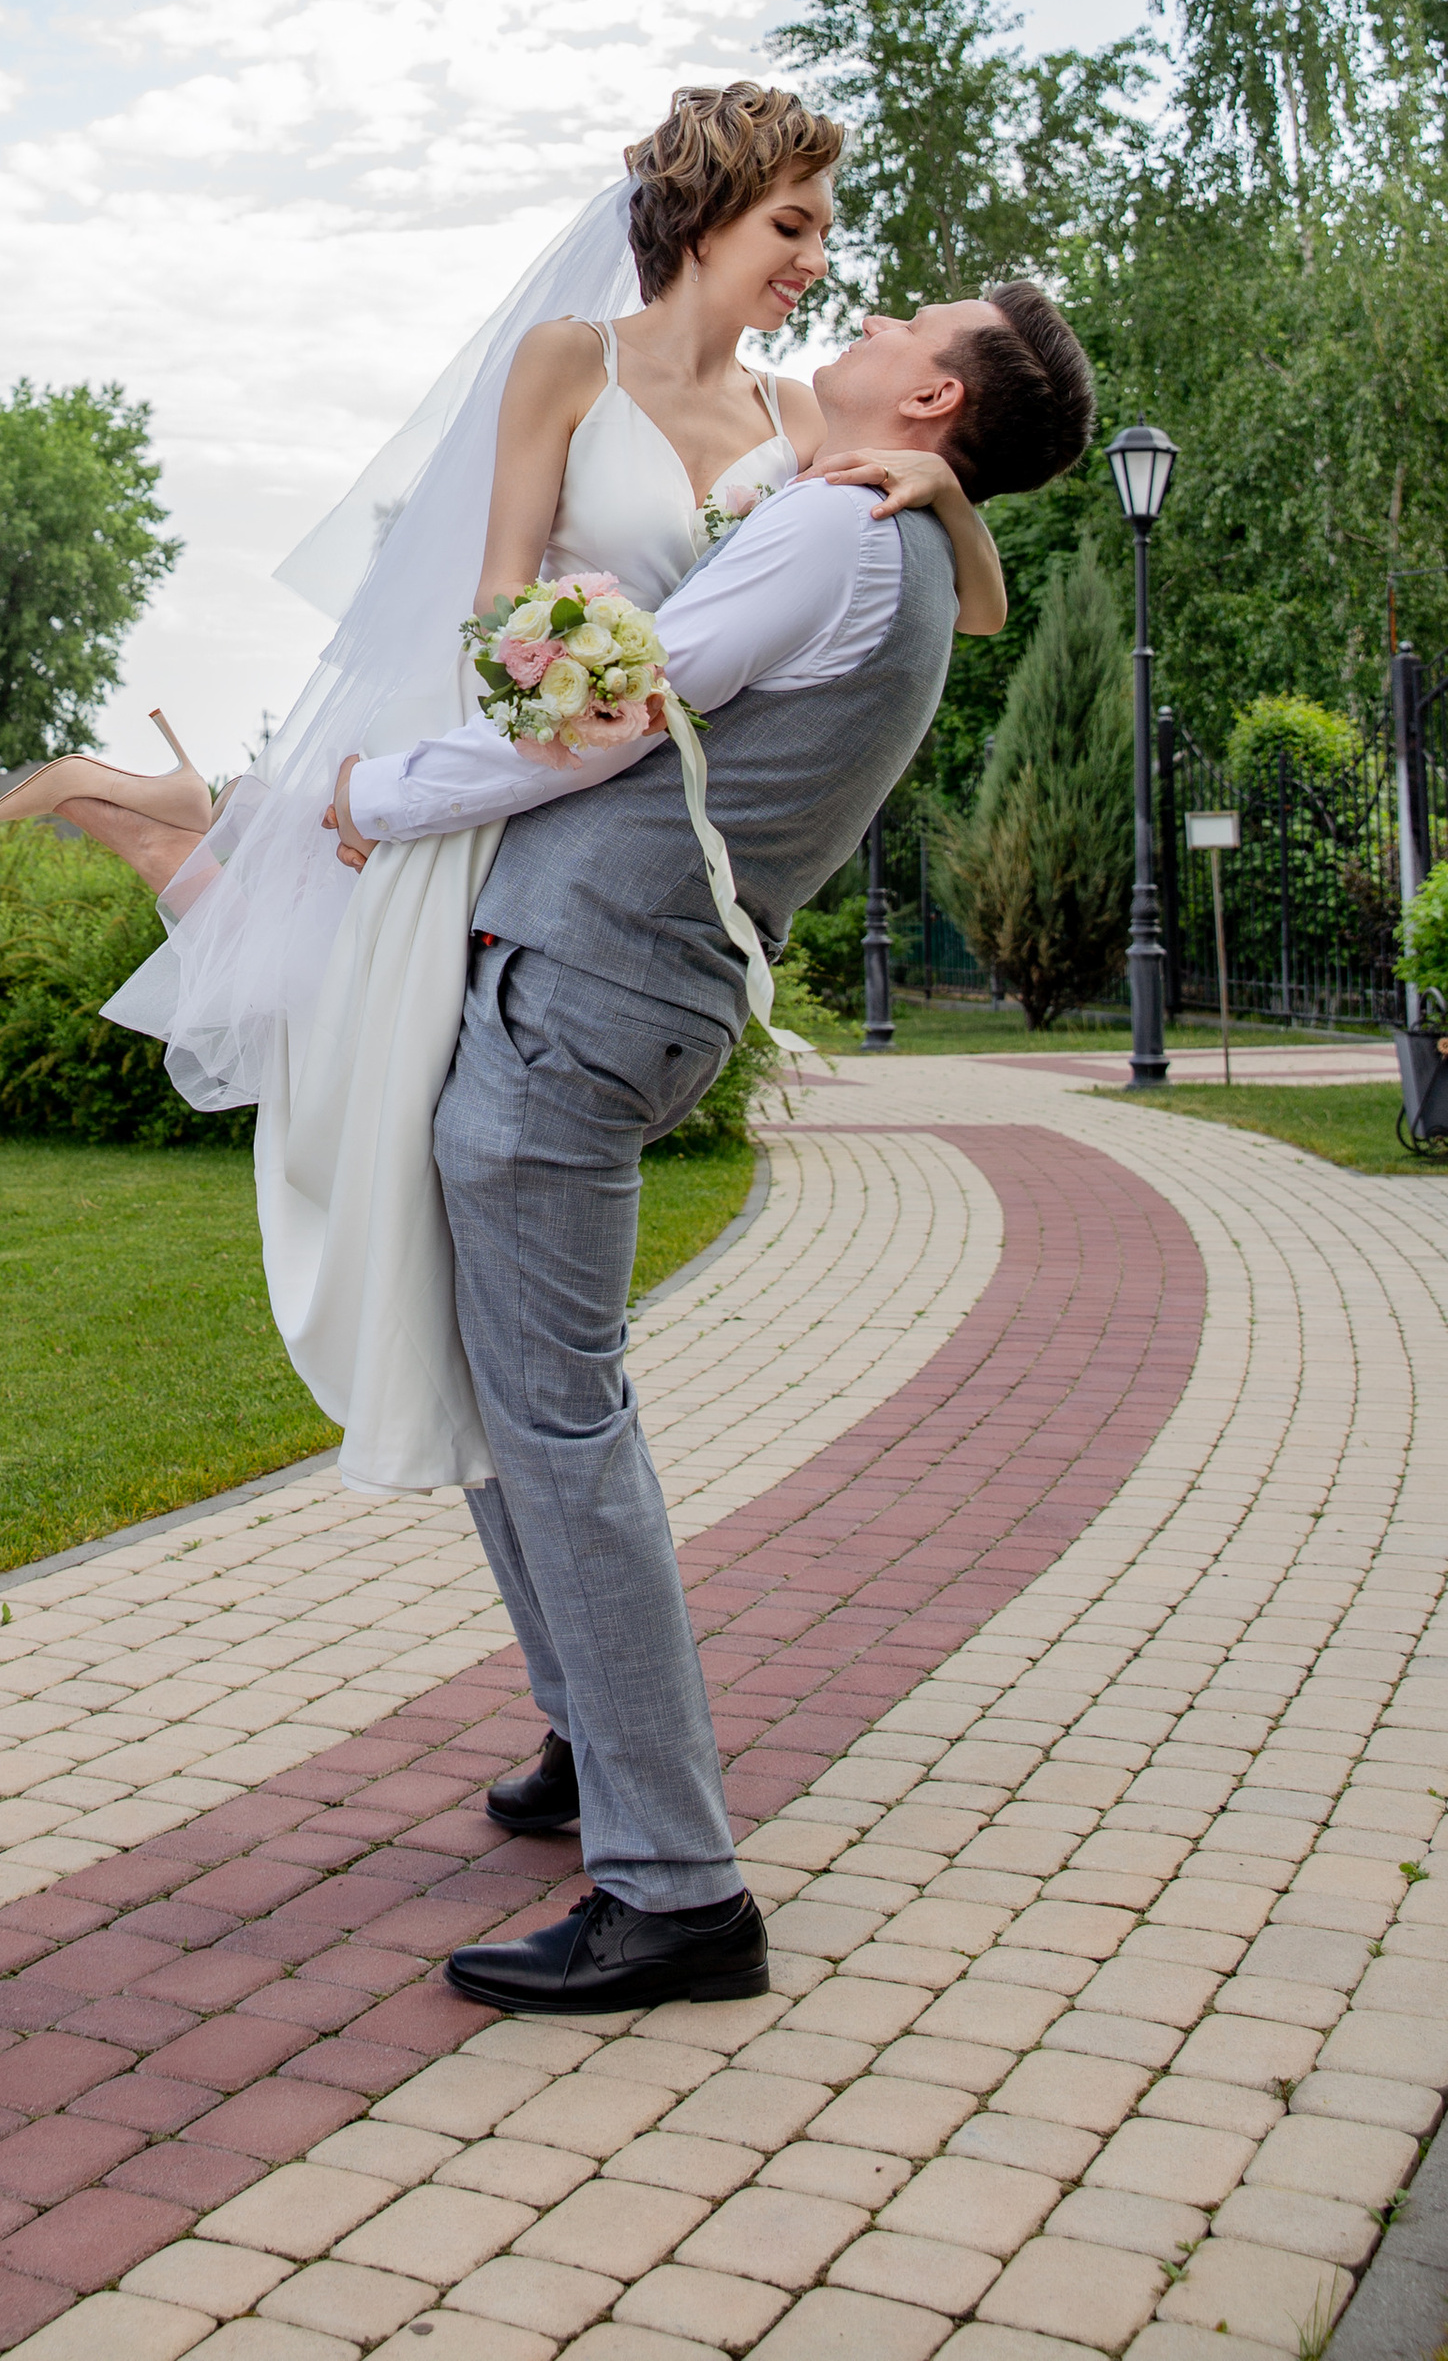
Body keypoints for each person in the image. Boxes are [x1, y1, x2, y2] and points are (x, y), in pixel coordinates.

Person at [0, 85, 1008, 1491]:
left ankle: (192, 808)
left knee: (364, 1057)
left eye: (820, 232)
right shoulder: (569, 360)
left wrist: (948, 494)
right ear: (709, 215)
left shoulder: (800, 415)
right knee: (349, 1056)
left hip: (619, 802)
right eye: (793, 225)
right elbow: (498, 591)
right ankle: (192, 811)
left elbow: (971, 614)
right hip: (525, 740)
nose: (815, 261)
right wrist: (535, 705)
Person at [326, 282, 1096, 2015]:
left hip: (584, 990)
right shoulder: (891, 531)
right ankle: (594, 1740)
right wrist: (959, 496)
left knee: (557, 1420)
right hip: (627, 988)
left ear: (937, 397)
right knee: (523, 1395)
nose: (870, 308)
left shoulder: (833, 534)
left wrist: (372, 799)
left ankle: (676, 1890)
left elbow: (605, 722)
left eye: (914, 320)